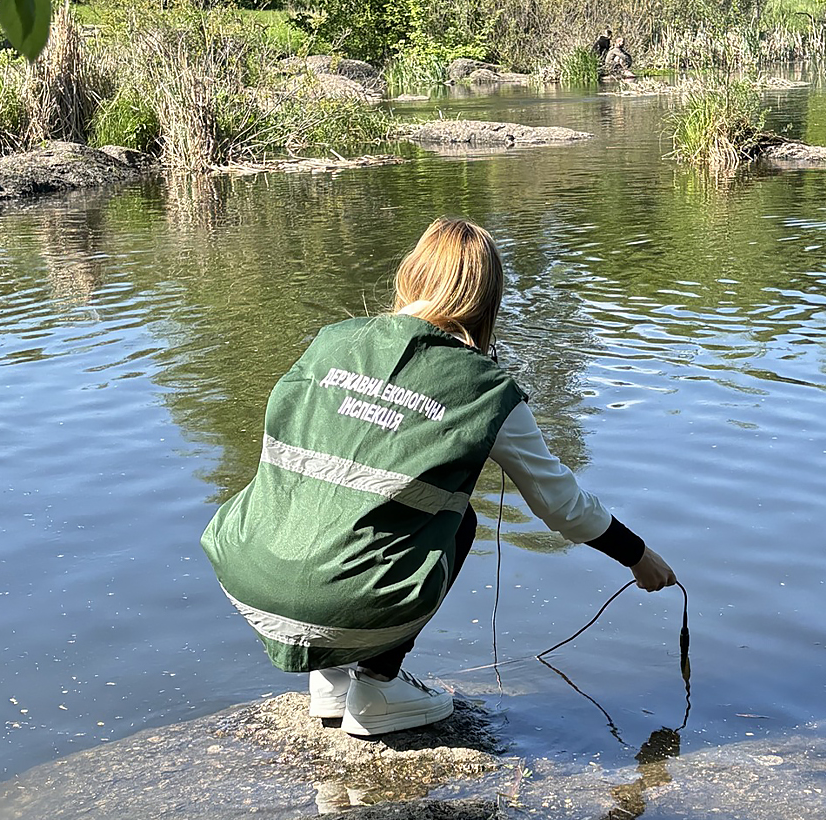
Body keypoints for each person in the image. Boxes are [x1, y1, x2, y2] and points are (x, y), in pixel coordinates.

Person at [201, 217, 676, 737]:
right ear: (488, 299)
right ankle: (378, 687)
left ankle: (331, 679)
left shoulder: (330, 341)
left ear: (413, 274)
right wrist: (638, 555)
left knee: (322, 494)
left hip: (245, 571)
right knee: (457, 517)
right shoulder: (485, 389)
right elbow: (559, 503)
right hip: (338, 600)